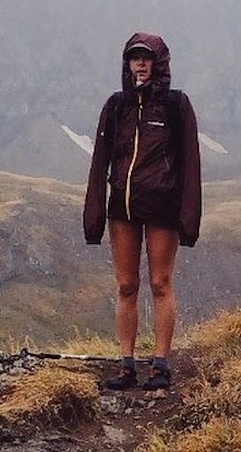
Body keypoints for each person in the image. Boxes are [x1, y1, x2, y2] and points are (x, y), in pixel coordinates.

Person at [83, 31, 202, 390]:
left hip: (163, 207)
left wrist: (188, 218)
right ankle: (126, 364)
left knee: (160, 283)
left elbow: (190, 163)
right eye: (135, 58)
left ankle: (161, 364)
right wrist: (94, 218)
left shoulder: (176, 105)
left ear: (158, 63)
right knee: (126, 285)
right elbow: (99, 162)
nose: (140, 63)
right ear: (127, 63)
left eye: (146, 58)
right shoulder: (116, 106)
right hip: (123, 207)